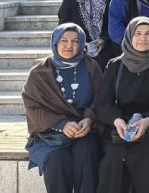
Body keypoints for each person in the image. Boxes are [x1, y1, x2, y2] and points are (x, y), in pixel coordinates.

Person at [94, 17, 149, 193]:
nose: (143, 38)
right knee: (114, 158)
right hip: (119, 127)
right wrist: (117, 120)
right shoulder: (115, 65)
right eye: (137, 33)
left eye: (148, 34)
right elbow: (103, 103)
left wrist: (148, 120)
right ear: (129, 36)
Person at [22, 23, 102, 193]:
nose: (69, 45)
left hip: (84, 130)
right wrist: (60, 124)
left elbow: (100, 99)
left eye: (75, 41)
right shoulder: (39, 72)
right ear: (55, 43)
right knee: (57, 159)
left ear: (82, 43)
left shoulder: (91, 67)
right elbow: (33, 106)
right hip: (49, 133)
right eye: (63, 40)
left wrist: (89, 119)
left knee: (86, 152)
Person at [59, 0, 116, 68]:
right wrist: (78, 40)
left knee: (106, 60)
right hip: (77, 41)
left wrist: (104, 39)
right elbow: (64, 21)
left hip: (105, 41)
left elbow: (114, 21)